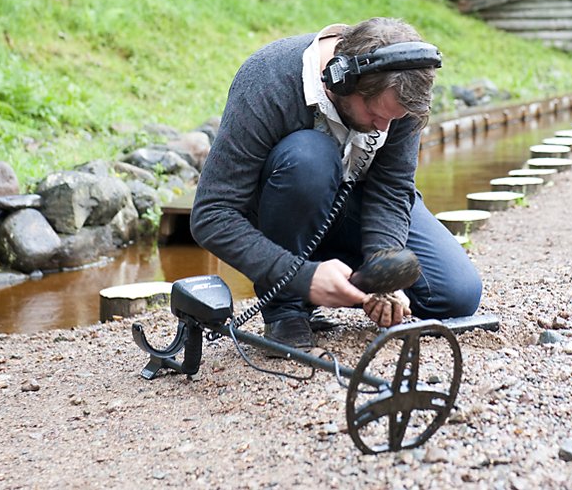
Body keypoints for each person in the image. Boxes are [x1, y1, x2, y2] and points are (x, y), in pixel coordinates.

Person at [191, 17, 482, 349]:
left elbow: (391, 187)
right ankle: (287, 309)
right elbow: (212, 215)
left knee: (457, 295)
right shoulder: (267, 79)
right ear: (341, 80)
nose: (382, 128)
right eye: (375, 115)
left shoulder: (400, 95)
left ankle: (344, 282)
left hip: (353, 204)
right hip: (287, 200)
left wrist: (380, 273)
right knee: (310, 157)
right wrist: (300, 276)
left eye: (393, 119)